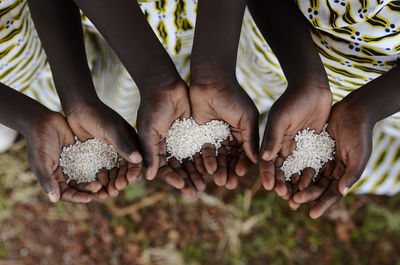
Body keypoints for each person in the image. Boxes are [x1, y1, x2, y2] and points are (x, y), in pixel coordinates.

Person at [248, 0, 400, 218]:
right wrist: (305, 77)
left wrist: (367, 110)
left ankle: (264, 128)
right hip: (282, 49)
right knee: (249, 91)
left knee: (381, 169)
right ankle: (260, 120)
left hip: (389, 98)